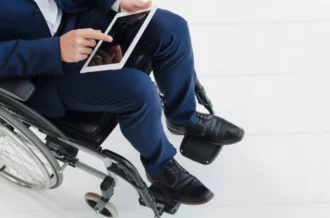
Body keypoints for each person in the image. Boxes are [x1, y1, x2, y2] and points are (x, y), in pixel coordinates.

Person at [0, 0, 244, 205]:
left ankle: (183, 118)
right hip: (41, 68)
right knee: (139, 91)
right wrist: (54, 50)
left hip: (81, 17)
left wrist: (115, 1)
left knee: (171, 28)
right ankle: (159, 167)